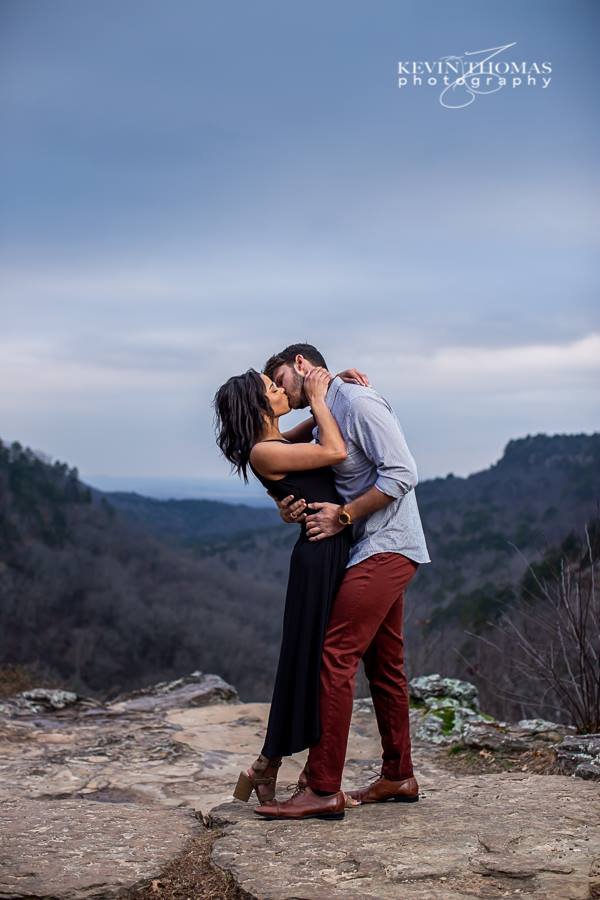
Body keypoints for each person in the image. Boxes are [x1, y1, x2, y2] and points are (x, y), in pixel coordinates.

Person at [254, 343, 430, 822]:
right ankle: (398, 774)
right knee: (385, 662)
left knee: (335, 654)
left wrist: (345, 515)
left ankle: (323, 787)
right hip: (366, 547)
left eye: (281, 379)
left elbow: (403, 473)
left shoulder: (358, 403)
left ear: (302, 366)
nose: (283, 393)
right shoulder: (329, 405)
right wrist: (285, 502)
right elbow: (282, 454)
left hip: (388, 545)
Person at [213, 364, 367, 816]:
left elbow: (312, 428)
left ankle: (267, 765)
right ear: (258, 405)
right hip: (318, 559)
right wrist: (321, 398)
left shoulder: (275, 443)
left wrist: (332, 384)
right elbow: (335, 450)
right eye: (270, 388)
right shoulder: (265, 452)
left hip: (327, 552)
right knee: (305, 662)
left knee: (309, 659)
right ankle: (269, 763)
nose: (279, 388)